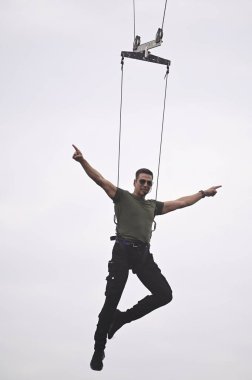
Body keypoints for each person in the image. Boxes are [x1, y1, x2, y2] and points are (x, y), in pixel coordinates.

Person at [72, 144, 221, 371]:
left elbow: (181, 203)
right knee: (111, 301)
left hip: (142, 255)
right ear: (134, 182)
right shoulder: (121, 197)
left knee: (165, 294)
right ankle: (98, 348)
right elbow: (100, 180)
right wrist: (82, 161)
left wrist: (203, 193)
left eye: (149, 183)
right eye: (142, 181)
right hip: (122, 252)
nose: (145, 185)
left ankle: (121, 319)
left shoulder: (153, 206)